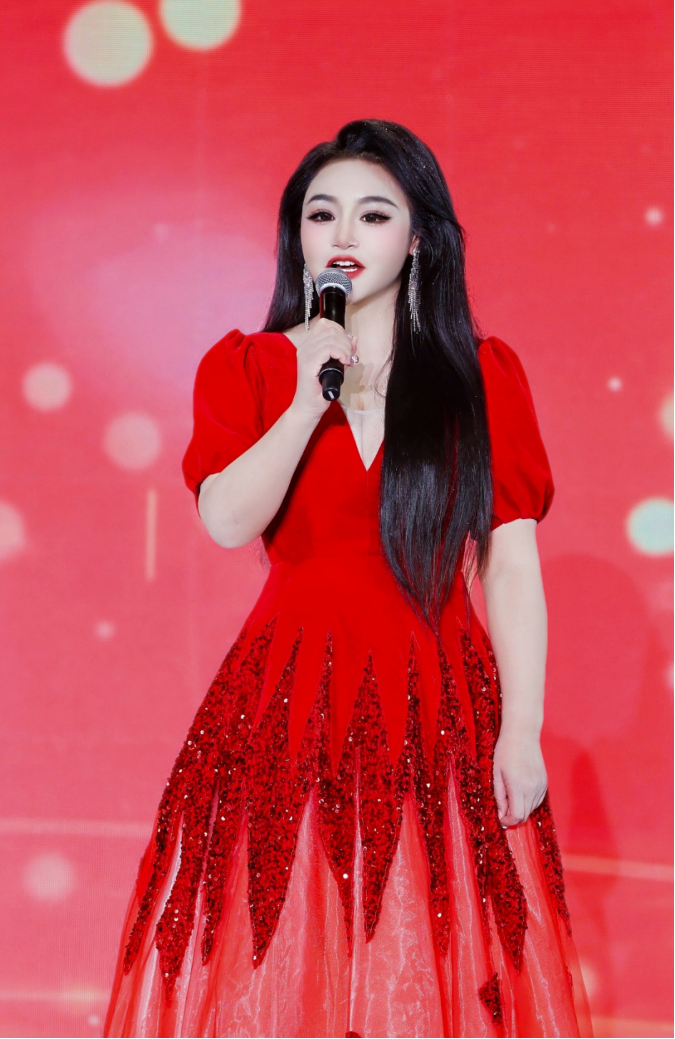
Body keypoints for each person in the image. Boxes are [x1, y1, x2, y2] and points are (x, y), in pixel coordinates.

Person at [104, 120, 593, 1038]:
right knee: (281, 955)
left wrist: (521, 727)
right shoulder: (250, 367)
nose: (342, 234)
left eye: (373, 214)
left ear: (418, 239)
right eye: (320, 213)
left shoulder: (480, 377)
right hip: (286, 699)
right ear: (296, 234)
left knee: (427, 954)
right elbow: (226, 519)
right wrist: (305, 402)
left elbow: (510, 560)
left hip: (439, 699)